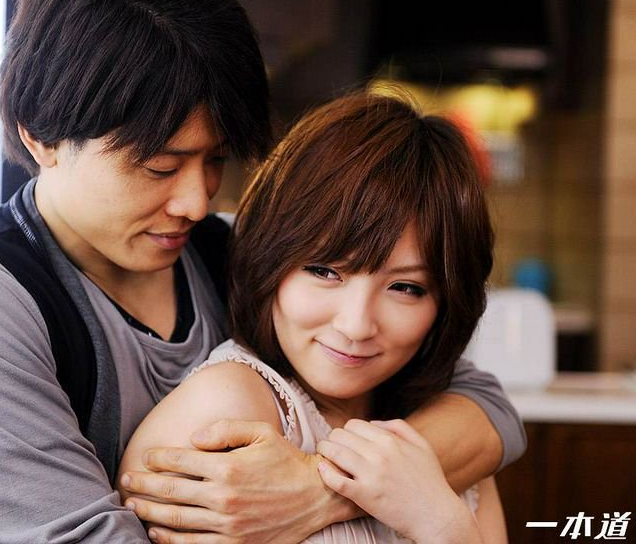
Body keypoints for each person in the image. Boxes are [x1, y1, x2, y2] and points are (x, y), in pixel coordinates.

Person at [0, 0, 524, 542]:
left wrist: (314, 491)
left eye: (215, 160)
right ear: (41, 136)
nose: (197, 202)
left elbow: (481, 404)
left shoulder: (228, 251)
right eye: (159, 167)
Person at [120, 90, 508, 543]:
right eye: (324, 271)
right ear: (269, 258)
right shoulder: (225, 411)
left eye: (406, 288)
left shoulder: (446, 430)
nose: (356, 325)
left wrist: (439, 519)